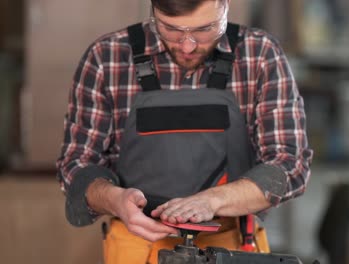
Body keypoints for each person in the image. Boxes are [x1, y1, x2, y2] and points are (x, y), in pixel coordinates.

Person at [56, 0, 312, 263]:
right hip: (137, 250)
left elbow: (290, 164)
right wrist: (113, 199)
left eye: (205, 29)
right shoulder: (106, 58)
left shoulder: (260, 54)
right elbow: (76, 166)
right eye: (170, 29)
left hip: (232, 250)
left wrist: (213, 200)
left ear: (225, 5)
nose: (188, 45)